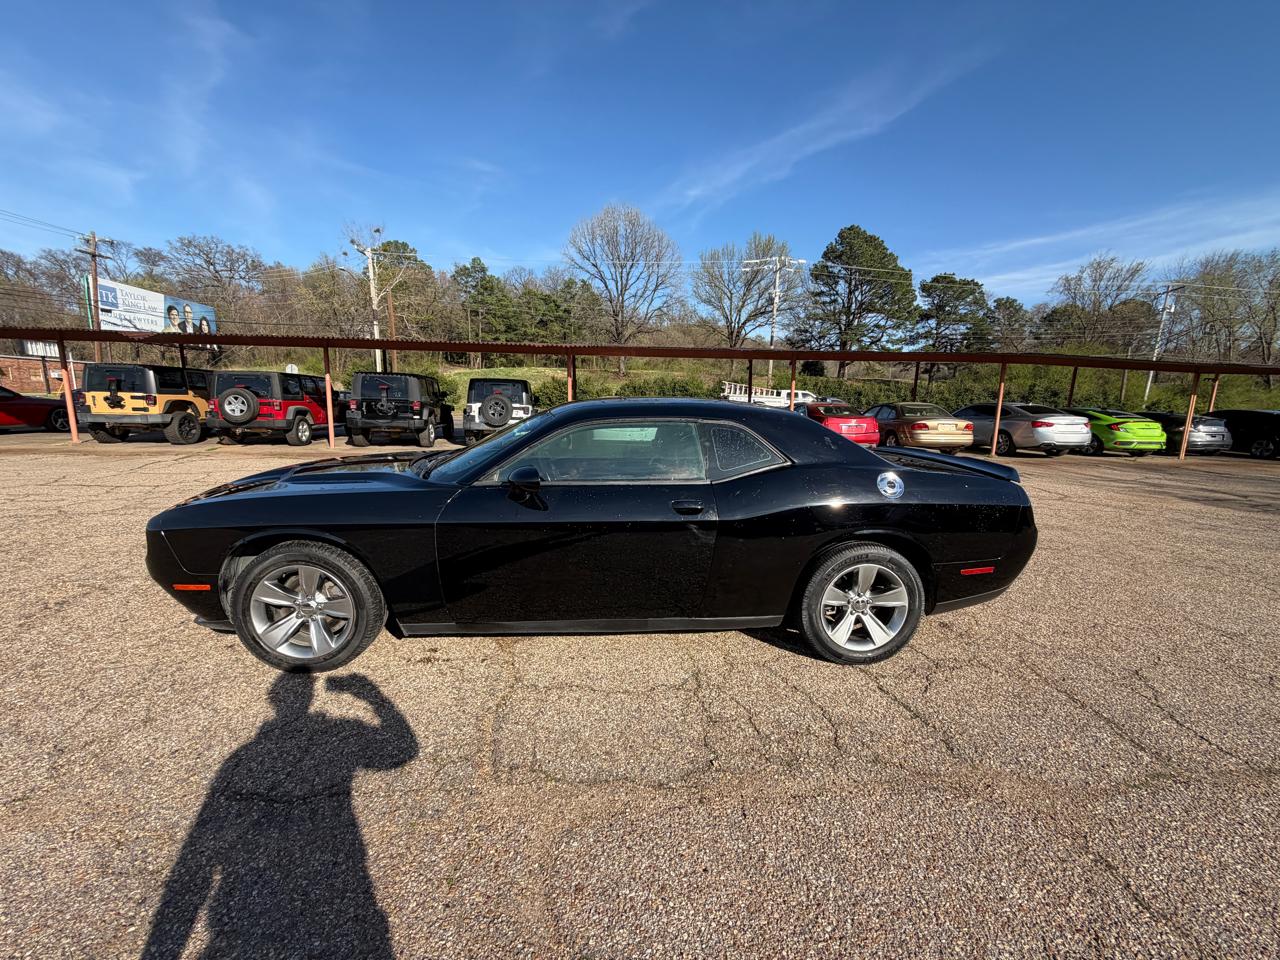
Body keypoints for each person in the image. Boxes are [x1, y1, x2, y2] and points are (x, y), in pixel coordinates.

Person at [141, 673, 417, 959]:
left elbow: (199, 852)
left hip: (242, 909)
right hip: (335, 882)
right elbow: (402, 750)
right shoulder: (324, 735)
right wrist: (373, 697)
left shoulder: (243, 756)